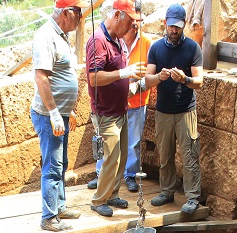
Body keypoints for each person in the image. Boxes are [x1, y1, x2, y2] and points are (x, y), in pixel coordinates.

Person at [31, 0, 90, 233]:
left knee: (62, 163)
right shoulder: (46, 36)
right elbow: (42, 78)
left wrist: (67, 110)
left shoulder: (61, 36)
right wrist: (55, 113)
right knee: (52, 166)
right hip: (48, 115)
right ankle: (49, 217)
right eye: (78, 12)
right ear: (66, 13)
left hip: (60, 113)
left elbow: (60, 75)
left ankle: (59, 206)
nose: (80, 17)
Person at [86, 0, 146, 218]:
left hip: (120, 108)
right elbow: (93, 77)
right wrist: (123, 73)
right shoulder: (98, 41)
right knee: (111, 158)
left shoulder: (118, 40)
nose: (131, 26)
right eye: (130, 21)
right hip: (105, 112)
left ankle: (112, 194)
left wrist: (130, 82)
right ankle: (98, 200)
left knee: (120, 157)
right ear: (118, 15)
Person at [145, 3, 203, 214]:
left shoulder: (193, 48)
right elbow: (148, 80)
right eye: (171, 26)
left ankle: (193, 197)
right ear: (165, 24)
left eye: (178, 27)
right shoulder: (156, 48)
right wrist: (159, 77)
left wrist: (185, 79)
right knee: (165, 156)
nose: (174, 30)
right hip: (163, 111)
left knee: (189, 156)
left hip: (186, 111)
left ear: (184, 24)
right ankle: (167, 191)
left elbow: (199, 81)